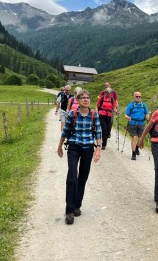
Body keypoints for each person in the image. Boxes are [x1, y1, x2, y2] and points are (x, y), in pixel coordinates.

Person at [57, 89, 102, 225]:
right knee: (72, 176)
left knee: (82, 177)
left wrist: (98, 149)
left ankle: (77, 206)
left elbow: (98, 133)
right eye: (83, 98)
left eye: (88, 98)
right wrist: (59, 146)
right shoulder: (73, 114)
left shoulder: (94, 115)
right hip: (74, 147)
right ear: (78, 100)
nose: (86, 100)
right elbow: (65, 131)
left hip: (88, 148)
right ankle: (69, 211)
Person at [124, 92, 149, 160]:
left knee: (141, 138)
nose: (138, 98)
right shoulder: (131, 105)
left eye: (139, 96)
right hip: (132, 123)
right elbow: (126, 114)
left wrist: (147, 116)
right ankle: (133, 153)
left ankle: (137, 147)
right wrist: (128, 118)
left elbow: (147, 113)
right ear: (134, 97)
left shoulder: (143, 105)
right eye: (137, 96)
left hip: (141, 123)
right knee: (134, 138)